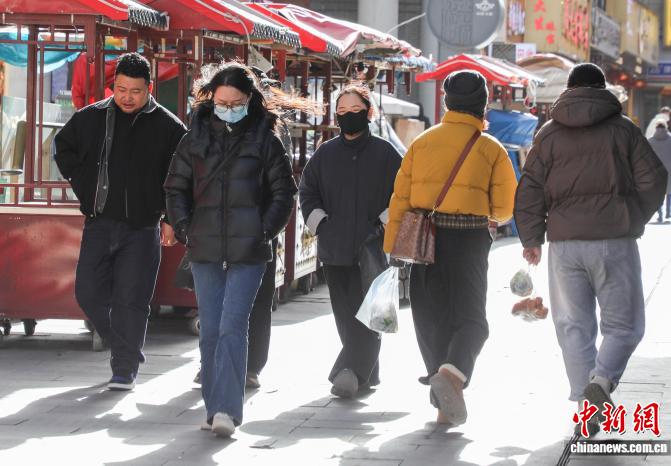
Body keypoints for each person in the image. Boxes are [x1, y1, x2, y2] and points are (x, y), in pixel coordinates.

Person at [514, 63, 667, 436]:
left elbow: (530, 187)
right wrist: (630, 216)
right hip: (614, 241)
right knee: (625, 325)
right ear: (603, 90)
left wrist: (532, 238)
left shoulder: (548, 134)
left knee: (573, 326)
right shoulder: (624, 129)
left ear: (568, 90)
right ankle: (601, 381)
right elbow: (654, 178)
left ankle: (587, 408)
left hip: (564, 245)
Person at [164, 62, 296, 437]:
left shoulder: (266, 140)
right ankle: (214, 406)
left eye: (236, 103)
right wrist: (185, 228)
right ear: (211, 99)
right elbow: (175, 187)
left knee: (232, 326)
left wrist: (263, 230)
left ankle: (226, 410)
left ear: (250, 100)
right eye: (222, 102)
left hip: (249, 250)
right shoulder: (194, 138)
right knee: (210, 330)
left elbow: (284, 193)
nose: (229, 108)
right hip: (205, 247)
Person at [384, 70, 517, 426]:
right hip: (470, 241)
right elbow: (504, 209)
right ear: (482, 105)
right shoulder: (491, 148)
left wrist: (394, 247)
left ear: (447, 103)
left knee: (431, 319)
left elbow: (401, 199)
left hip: (424, 240)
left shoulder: (422, 142)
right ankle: (453, 374)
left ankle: (443, 400)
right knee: (472, 320)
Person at [54, 53, 186, 391]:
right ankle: (123, 344)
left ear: (149, 89)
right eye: (121, 89)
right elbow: (62, 147)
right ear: (114, 86)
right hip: (99, 223)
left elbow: (182, 177)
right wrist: (84, 184)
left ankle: (124, 369)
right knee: (87, 292)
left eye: (135, 91)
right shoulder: (91, 117)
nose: (127, 97)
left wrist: (170, 217)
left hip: (142, 228)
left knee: (132, 298)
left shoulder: (170, 127)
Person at [299, 85, 402, 399]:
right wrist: (321, 224)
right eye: (341, 111)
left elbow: (403, 193)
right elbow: (307, 191)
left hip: (373, 248)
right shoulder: (325, 153)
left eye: (354, 110)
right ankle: (367, 374)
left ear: (369, 112)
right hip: (335, 248)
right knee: (345, 315)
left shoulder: (386, 153)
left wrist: (383, 222)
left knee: (370, 313)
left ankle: (349, 372)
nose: (347, 116)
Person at [648, 121, 671, 223]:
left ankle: (660, 214)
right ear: (666, 127)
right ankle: (668, 212)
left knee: (658, 192)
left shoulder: (651, 140)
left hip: (656, 169)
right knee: (669, 191)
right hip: (670, 168)